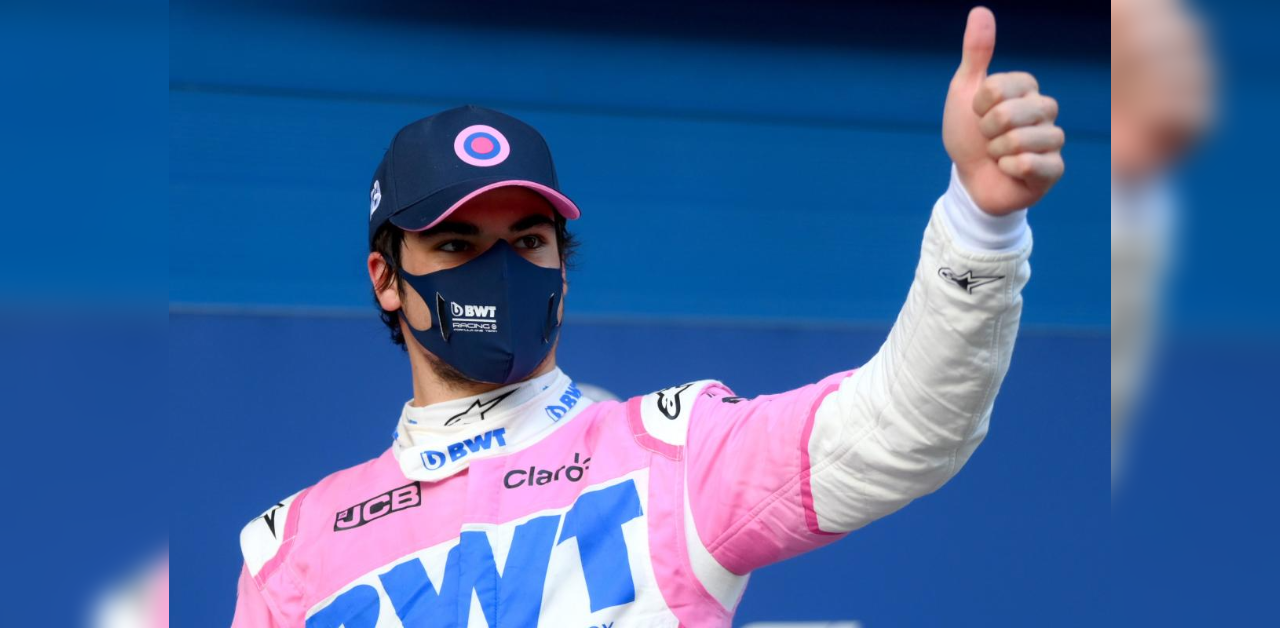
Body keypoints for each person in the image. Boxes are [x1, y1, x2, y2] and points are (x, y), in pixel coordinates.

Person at [231, 7, 1064, 627]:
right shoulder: (291, 554)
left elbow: (907, 426)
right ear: (387, 278)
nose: (498, 272)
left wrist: (981, 223)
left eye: (526, 240)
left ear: (562, 261)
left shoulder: (675, 458)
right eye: (457, 245)